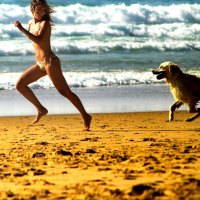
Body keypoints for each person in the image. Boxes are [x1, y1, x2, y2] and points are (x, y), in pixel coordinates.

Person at [14, 0, 91, 130]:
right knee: (20, 85)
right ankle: (41, 109)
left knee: (64, 92)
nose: (41, 12)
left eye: (43, 10)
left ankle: (85, 115)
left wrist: (21, 29)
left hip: (50, 62)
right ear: (32, 9)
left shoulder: (45, 23)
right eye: (38, 10)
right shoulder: (31, 23)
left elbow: (38, 39)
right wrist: (24, 28)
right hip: (40, 64)